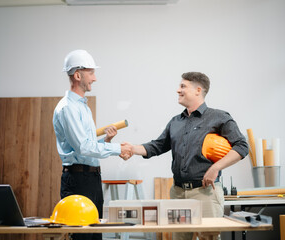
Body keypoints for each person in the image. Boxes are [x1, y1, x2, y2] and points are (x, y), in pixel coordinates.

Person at [124, 72, 248, 240]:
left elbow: (242, 146)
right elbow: (157, 146)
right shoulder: (176, 121)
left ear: (198, 90)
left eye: (183, 86)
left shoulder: (219, 117)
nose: (178, 90)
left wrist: (216, 167)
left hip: (206, 194)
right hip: (178, 193)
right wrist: (133, 149)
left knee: (209, 238)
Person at [53, 49, 132, 240]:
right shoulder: (68, 108)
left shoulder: (82, 106)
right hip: (78, 180)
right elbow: (83, 148)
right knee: (83, 237)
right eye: (91, 73)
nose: (95, 78)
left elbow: (86, 145)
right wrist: (117, 149)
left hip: (91, 179)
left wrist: (106, 141)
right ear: (78, 75)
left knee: (95, 235)